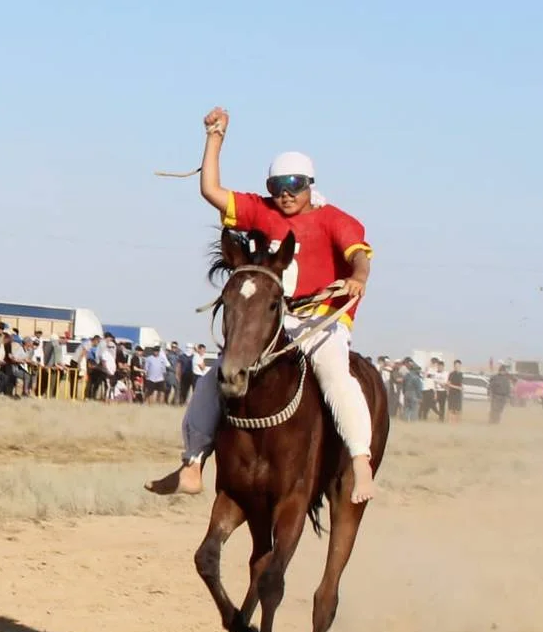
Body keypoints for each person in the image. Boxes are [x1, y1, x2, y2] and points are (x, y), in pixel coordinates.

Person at [145, 106, 377, 503]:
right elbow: (211, 191)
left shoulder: (335, 220)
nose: (285, 194)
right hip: (274, 322)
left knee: (335, 374)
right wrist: (214, 139)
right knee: (215, 377)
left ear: (309, 184)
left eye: (293, 185)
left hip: (320, 321)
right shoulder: (261, 210)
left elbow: (359, 255)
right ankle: (193, 463)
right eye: (277, 186)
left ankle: (360, 463)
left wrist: (358, 277)